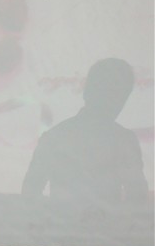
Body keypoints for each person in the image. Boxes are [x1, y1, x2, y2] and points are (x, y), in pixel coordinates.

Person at [22, 58, 149, 206]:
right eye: (110, 93)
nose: (114, 102)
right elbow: (137, 198)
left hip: (66, 220)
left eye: (119, 95)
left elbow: (30, 193)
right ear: (88, 90)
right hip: (91, 221)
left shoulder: (54, 137)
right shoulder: (125, 141)